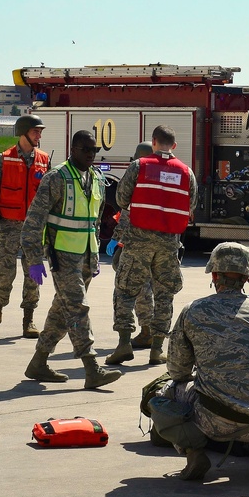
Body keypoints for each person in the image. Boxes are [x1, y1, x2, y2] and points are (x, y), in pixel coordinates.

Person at [156, 242, 249, 483]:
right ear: (247, 278)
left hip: (210, 421)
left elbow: (177, 369)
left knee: (166, 392)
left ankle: (193, 452)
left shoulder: (193, 311)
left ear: (213, 274)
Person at [21, 130, 122, 389]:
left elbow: (95, 222)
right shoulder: (57, 177)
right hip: (62, 255)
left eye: (94, 151)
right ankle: (91, 367)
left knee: (62, 310)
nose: (90, 155)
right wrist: (34, 258)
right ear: (73, 149)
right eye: (85, 150)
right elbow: (33, 221)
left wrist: (95, 256)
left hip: (86, 256)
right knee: (78, 308)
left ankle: (39, 362)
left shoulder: (97, 178)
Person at [109, 126, 198, 366]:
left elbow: (121, 199)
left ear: (154, 142)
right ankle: (157, 348)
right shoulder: (186, 173)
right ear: (175, 146)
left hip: (138, 238)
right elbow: (192, 204)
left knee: (125, 290)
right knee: (164, 293)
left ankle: (124, 343)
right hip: (169, 242)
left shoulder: (139, 166)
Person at [0, 114, 51, 339]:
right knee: (4, 272)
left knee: (32, 275)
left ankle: (29, 319)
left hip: (35, 228)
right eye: (36, 131)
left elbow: (52, 196)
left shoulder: (44, 159)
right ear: (24, 132)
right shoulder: (5, 159)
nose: (39, 135)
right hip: (9, 225)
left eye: (40, 132)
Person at [106, 142, 156, 350]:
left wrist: (115, 239)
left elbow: (127, 214)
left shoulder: (139, 181)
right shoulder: (161, 180)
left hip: (136, 244)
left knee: (131, 289)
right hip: (159, 245)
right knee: (151, 289)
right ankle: (151, 332)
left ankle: (145, 332)